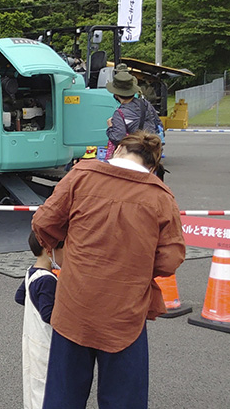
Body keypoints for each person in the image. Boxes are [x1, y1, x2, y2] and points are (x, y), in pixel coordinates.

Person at [33, 131, 185, 408]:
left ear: (116, 151)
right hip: (125, 312)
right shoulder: (160, 196)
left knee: (63, 397)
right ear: (152, 165)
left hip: (74, 305)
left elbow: (44, 222)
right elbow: (170, 259)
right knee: (123, 399)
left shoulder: (81, 175)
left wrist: (67, 245)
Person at [15, 231, 64, 409]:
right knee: (47, 386)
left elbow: (20, 297)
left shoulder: (31, 272)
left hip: (32, 340)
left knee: (33, 384)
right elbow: (49, 315)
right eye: (64, 249)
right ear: (49, 249)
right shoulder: (48, 280)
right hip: (46, 343)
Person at [106, 67, 162, 151]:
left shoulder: (120, 113)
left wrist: (110, 127)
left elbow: (118, 138)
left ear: (116, 94)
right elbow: (158, 124)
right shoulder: (145, 103)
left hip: (135, 152)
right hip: (151, 150)